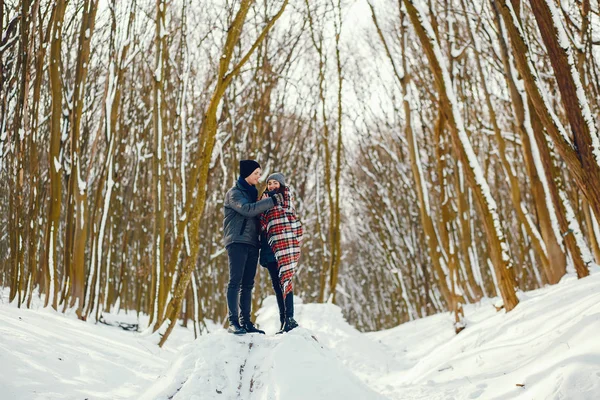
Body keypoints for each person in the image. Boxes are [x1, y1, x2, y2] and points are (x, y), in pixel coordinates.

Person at [223, 160, 283, 335]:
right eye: (256, 173)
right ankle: (233, 322)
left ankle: (246, 322)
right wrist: (271, 201)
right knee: (235, 282)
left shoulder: (253, 194)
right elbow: (248, 210)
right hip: (237, 241)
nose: (259, 176)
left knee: (248, 284)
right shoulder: (234, 193)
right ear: (247, 174)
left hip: (252, 242)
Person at [259, 172, 303, 334]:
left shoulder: (286, 199)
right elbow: (261, 221)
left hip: (284, 246)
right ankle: (283, 321)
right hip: (269, 247)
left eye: (275, 183)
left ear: (281, 185)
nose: (271, 186)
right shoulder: (263, 200)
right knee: (277, 286)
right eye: (269, 183)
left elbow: (291, 220)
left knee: (286, 281)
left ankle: (290, 318)